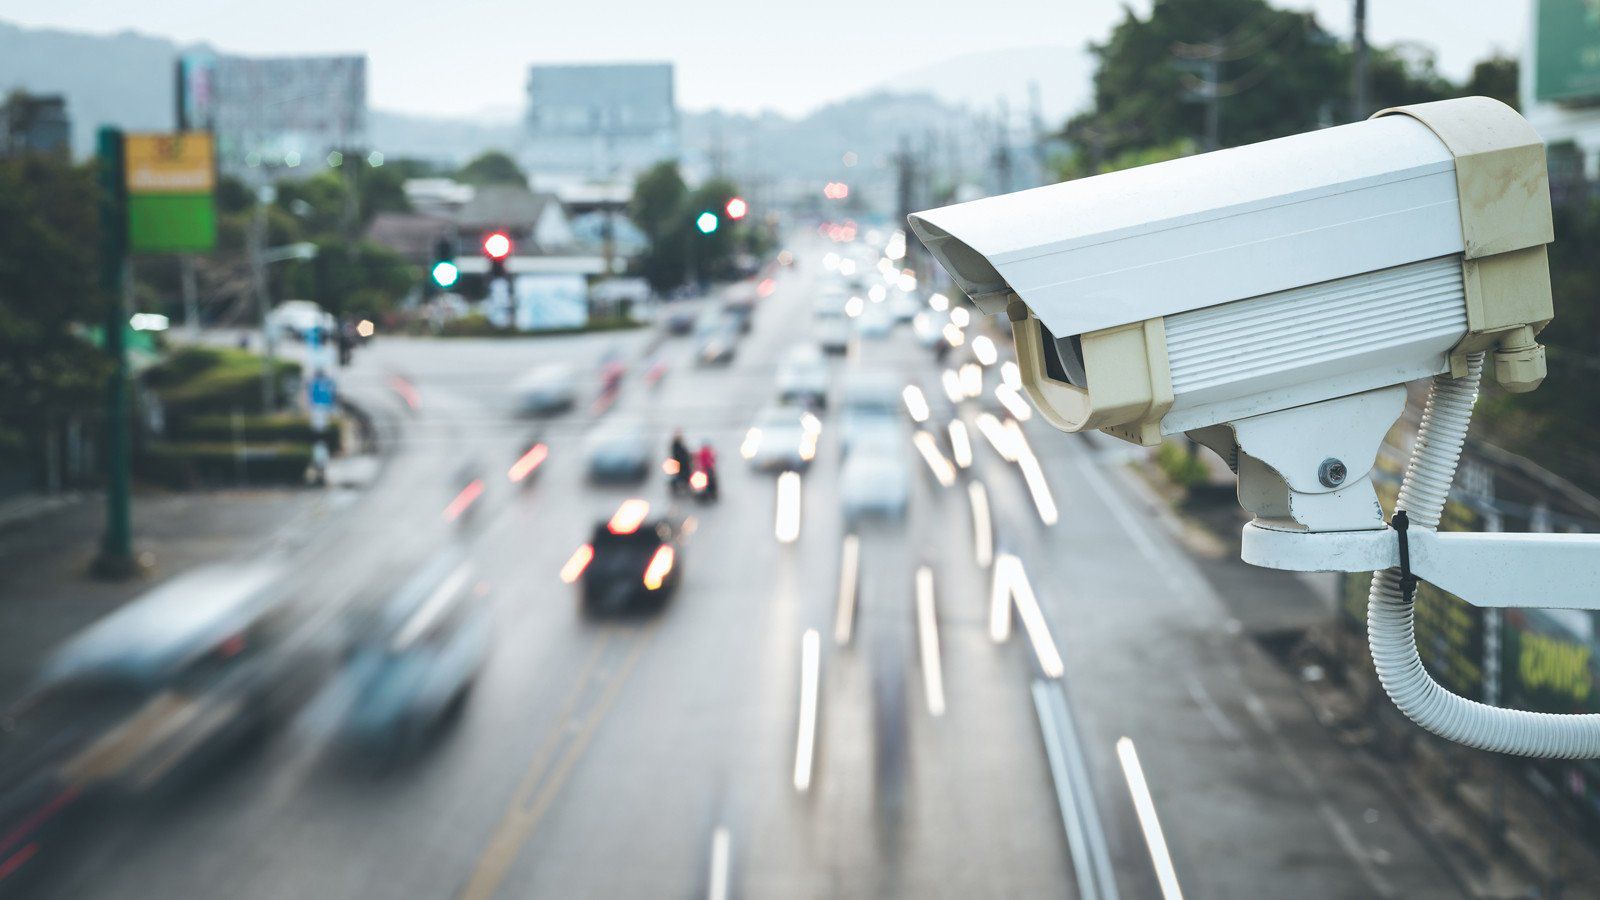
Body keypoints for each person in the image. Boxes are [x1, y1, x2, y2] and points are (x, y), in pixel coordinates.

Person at [668, 429, 693, 495]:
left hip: (683, 464)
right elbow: (677, 455)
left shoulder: (679, 445)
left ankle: (684, 487)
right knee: (680, 477)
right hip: (680, 464)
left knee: (684, 476)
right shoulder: (676, 445)